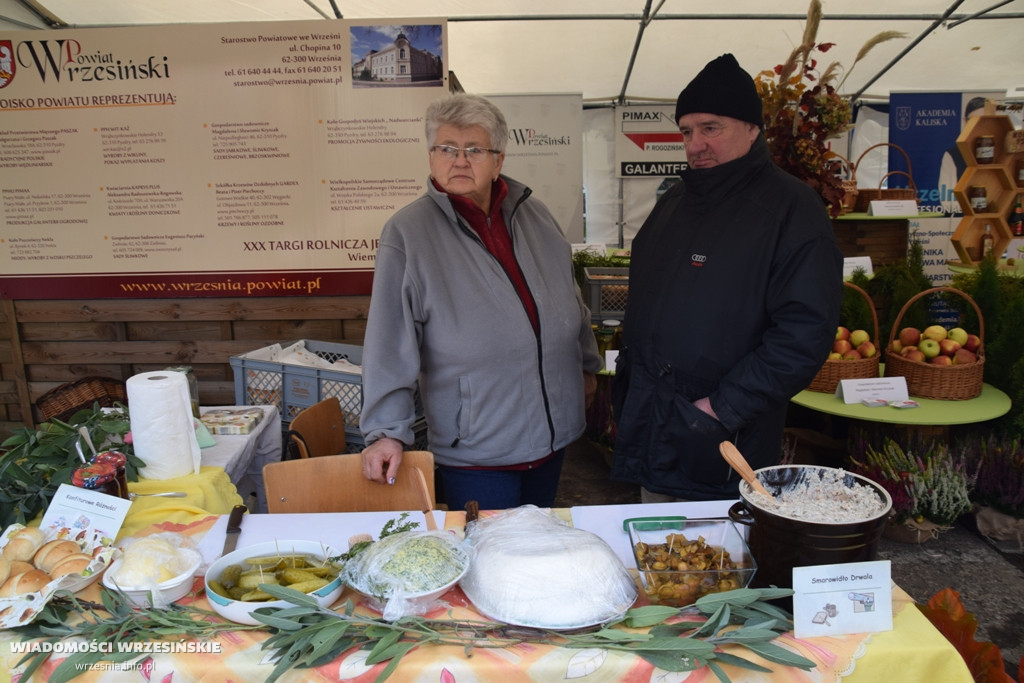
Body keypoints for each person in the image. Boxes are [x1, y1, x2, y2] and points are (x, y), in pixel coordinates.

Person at [611, 54, 843, 502]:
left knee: (716, 559)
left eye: (711, 128)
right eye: (686, 131)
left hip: (722, 438)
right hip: (655, 424)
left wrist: (720, 408)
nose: (695, 144)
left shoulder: (791, 210)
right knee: (658, 548)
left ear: (753, 128)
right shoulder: (675, 201)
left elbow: (804, 333)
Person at [359, 93, 601, 511]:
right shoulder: (408, 233)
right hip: (477, 450)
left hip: (552, 436)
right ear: (431, 156)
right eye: (446, 149)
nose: (459, 160)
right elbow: (388, 340)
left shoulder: (535, 215)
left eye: (474, 149)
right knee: (491, 563)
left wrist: (586, 365)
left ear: (499, 160)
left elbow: (570, 300)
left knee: (539, 547)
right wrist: (386, 431)